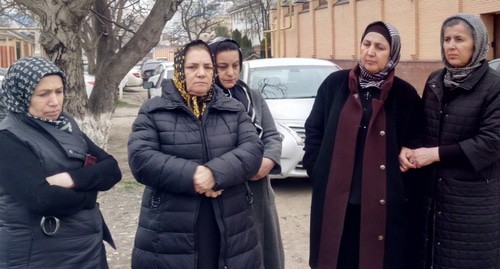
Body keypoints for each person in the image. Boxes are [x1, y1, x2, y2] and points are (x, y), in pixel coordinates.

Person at [128, 40, 264, 269]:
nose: (201, 73)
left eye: (208, 67)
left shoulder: (232, 109)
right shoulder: (155, 110)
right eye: (192, 67)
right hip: (171, 228)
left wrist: (214, 174)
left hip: (230, 222)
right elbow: (141, 158)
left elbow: (253, 150)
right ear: (181, 70)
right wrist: (193, 175)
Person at [302, 21, 424, 269]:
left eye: (380, 47)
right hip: (337, 202)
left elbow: (417, 138)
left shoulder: (405, 95)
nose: (370, 51)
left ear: (393, 53)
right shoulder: (334, 85)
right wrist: (318, 171)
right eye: (366, 44)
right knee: (336, 258)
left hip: (383, 205)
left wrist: (407, 152)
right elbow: (314, 129)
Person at [0, 56, 122, 268]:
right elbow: (42, 199)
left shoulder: (64, 126)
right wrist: (90, 194)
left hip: (86, 249)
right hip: (39, 255)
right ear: (21, 95)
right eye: (43, 94)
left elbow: (111, 169)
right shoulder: (8, 136)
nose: (55, 101)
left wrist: (70, 179)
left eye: (59, 91)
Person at [399, 13, 500, 269]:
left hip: (472, 200)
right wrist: (409, 149)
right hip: (433, 195)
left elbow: (492, 142)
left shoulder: (493, 87)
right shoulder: (436, 81)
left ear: (477, 44)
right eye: (446, 39)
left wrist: (435, 154)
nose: (451, 46)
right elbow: (422, 127)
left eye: (459, 39)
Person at [208, 37, 285, 269]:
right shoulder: (205, 102)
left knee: (265, 254)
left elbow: (272, 135)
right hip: (225, 192)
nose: (231, 73)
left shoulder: (253, 97)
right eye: (222, 67)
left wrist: (268, 160)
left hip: (259, 190)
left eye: (235, 66)